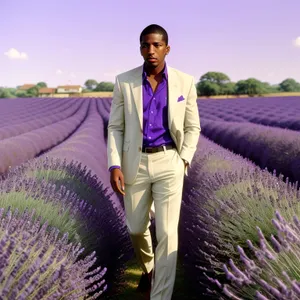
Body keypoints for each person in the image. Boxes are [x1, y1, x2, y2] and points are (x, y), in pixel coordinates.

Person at [107, 24, 200, 300]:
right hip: (135, 162)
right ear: (140, 49)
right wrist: (114, 165)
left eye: (157, 45)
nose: (151, 51)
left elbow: (193, 127)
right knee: (136, 228)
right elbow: (115, 127)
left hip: (169, 160)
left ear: (167, 48)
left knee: (168, 233)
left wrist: (183, 160)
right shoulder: (125, 81)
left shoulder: (185, 82)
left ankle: (160, 296)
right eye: (146, 45)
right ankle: (149, 269)